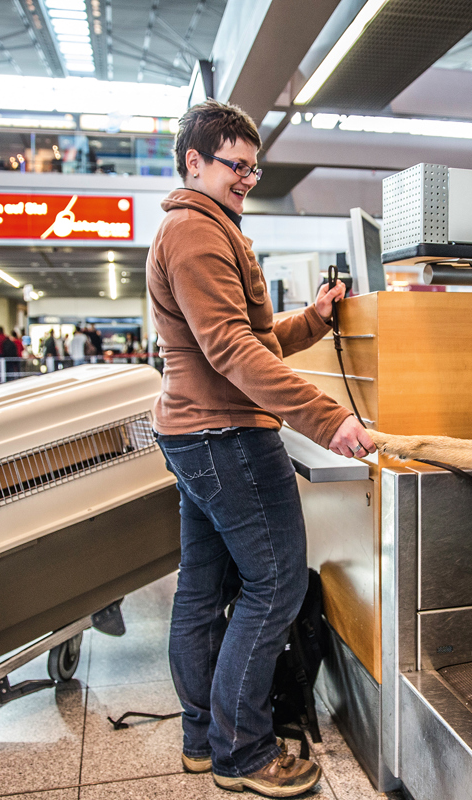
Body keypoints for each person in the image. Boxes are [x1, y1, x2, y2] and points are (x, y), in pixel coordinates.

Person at [148, 98, 374, 798]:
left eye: (253, 166)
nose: (247, 176)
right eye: (235, 164)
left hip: (196, 432)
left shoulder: (203, 227)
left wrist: (310, 320)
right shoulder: (196, 235)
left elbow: (248, 334)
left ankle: (201, 738)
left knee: (203, 590)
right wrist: (327, 417)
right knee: (273, 586)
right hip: (227, 433)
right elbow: (231, 350)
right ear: (195, 160)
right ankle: (242, 752)